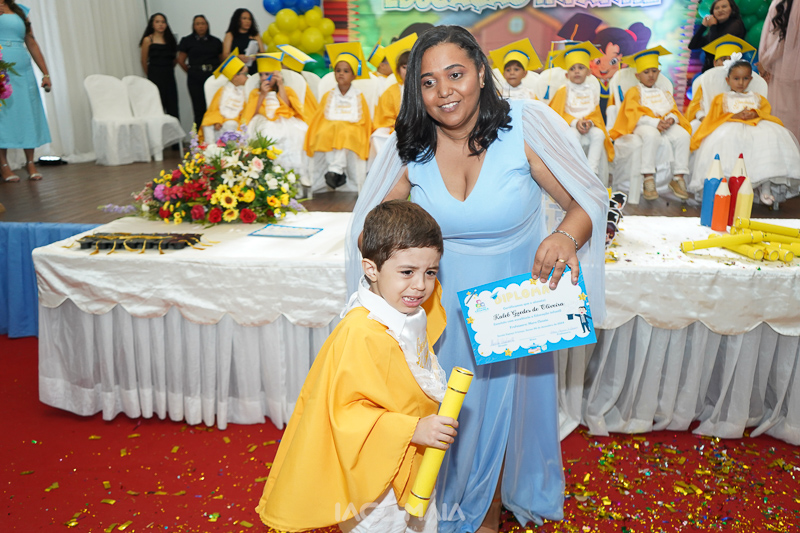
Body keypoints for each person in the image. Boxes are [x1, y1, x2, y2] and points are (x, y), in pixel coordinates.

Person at [345, 25, 607, 533]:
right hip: (436, 309)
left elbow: (586, 201)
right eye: (428, 82)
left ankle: (485, 511)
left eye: (456, 74)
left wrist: (564, 237)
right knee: (443, 410)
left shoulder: (525, 126)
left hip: (510, 306)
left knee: (498, 411)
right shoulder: (411, 146)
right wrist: (397, 267)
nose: (443, 91)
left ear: (482, 74)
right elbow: (370, 229)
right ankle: (438, 502)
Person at [257, 200, 453, 533]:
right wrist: (412, 430)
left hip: (414, 461)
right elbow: (346, 412)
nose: (421, 285)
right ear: (371, 269)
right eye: (407, 272)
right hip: (376, 483)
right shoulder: (361, 332)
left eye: (430, 272)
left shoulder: (409, 310)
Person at [689, 56, 800, 205]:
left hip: (755, 127)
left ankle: (765, 188)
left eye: (745, 78)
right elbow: (714, 117)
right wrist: (734, 115)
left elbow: (766, 114)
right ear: (728, 80)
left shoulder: (757, 98)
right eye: (736, 79)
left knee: (770, 139)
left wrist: (755, 114)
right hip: (730, 127)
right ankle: (726, 187)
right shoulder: (722, 98)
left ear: (750, 80)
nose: (741, 83)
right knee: (728, 142)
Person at [609, 46, 691, 201]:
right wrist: (655, 123)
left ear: (659, 72)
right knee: (652, 135)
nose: (651, 75)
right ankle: (648, 177)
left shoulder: (663, 92)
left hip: (665, 124)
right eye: (646, 72)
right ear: (638, 75)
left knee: (683, 135)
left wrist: (671, 119)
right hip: (642, 125)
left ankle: (678, 176)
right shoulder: (634, 91)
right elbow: (632, 113)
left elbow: (673, 109)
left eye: (654, 71)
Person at [304, 42, 372, 192]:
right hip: (330, 128)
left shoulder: (358, 96)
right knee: (324, 134)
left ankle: (334, 170)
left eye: (346, 71)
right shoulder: (329, 95)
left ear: (353, 75)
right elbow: (320, 118)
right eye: (338, 70)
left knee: (344, 134)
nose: (341, 74)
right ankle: (336, 170)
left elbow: (363, 120)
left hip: (352, 130)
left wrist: (342, 126)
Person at [547, 41, 614, 183]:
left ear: (589, 72)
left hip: (589, 124)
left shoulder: (592, 90)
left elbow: (595, 112)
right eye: (572, 69)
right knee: (573, 135)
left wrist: (590, 122)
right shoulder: (563, 90)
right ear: (567, 75)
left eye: (581, 68)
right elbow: (557, 113)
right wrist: (575, 122)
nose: (576, 71)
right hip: (569, 126)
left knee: (599, 134)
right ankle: (576, 171)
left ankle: (592, 171)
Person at [243, 52, 312, 188]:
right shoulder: (255, 93)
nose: (264, 78)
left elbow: (287, 106)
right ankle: (269, 174)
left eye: (267, 74)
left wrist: (280, 86)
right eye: (261, 75)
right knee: (267, 133)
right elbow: (252, 112)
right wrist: (262, 95)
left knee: (298, 133)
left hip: (283, 118)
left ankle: (297, 172)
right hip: (263, 119)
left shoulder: (286, 90)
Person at [0, 0, 51, 182]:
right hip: (2, 72)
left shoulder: (20, 10)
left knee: (28, 113)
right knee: (3, 117)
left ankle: (30, 162)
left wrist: (45, 73)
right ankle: (4, 166)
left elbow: (31, 41)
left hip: (23, 70)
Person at [686, 35, 755, 131]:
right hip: (710, 119)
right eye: (724, 59)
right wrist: (704, 119)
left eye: (732, 59)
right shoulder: (706, 81)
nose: (729, 63)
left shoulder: (745, 81)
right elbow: (696, 107)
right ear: (715, 63)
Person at [758, 0, 800, 141]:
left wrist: (765, 61)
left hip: (783, 67)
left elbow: (785, 40)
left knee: (785, 117)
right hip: (781, 65)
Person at [371, 34, 417, 161]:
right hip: (396, 129)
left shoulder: (425, 87)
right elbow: (384, 117)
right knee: (377, 136)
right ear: (398, 70)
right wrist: (397, 125)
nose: (407, 71)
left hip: (419, 128)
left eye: (411, 66)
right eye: (404, 67)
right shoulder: (391, 91)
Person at [178, 15, 223, 129]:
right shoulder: (187, 41)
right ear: (193, 26)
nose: (201, 26)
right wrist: (191, 71)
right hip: (195, 78)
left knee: (214, 107)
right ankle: (198, 136)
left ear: (207, 25)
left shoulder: (216, 41)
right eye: (197, 24)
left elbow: (222, 60)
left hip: (212, 77)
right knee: (198, 109)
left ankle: (215, 136)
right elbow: (181, 60)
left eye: (203, 23)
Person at [200, 52, 248, 142]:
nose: (247, 77)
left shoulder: (246, 91)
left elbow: (247, 111)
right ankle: (211, 148)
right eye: (245, 74)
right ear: (235, 76)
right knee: (207, 123)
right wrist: (217, 120)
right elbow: (213, 109)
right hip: (221, 121)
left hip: (237, 121)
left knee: (230, 124)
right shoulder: (222, 91)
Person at [139, 13, 179, 120]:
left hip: (169, 76)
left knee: (172, 106)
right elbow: (143, 61)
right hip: (155, 75)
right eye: (157, 22)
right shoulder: (148, 40)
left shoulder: (170, 40)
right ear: (152, 24)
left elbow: (175, 59)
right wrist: (151, 74)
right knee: (157, 106)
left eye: (163, 22)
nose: (160, 24)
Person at [688, 0, 747, 72]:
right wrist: (703, 26)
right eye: (717, 8)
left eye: (724, 7)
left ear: (732, 9)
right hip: (710, 71)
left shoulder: (736, 24)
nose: (720, 10)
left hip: (727, 72)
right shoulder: (715, 28)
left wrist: (713, 25)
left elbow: (716, 44)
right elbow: (692, 45)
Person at [223, 8, 263, 75]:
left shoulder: (255, 35)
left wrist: (256, 56)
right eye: (244, 18)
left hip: (254, 68)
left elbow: (263, 52)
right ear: (237, 20)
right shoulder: (230, 35)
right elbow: (225, 55)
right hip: (237, 70)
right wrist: (238, 57)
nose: (248, 21)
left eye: (250, 19)